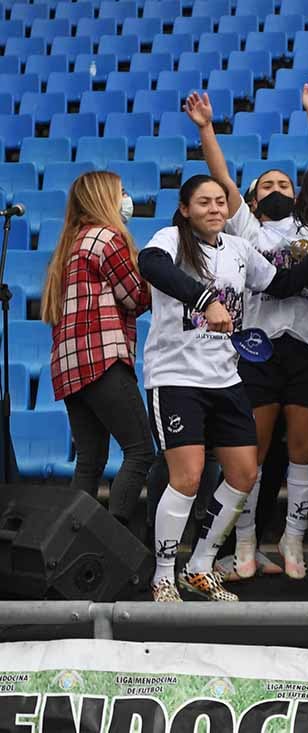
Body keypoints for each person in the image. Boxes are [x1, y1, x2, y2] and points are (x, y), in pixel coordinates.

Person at [139, 174, 308, 602]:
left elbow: (278, 284)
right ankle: (164, 574)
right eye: (204, 202)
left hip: (226, 379)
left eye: (220, 202)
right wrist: (205, 301)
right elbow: (149, 264)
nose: (214, 209)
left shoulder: (240, 249)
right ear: (186, 209)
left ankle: (200, 566)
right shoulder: (170, 238)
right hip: (177, 378)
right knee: (187, 478)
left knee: (244, 474)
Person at [185, 76, 308, 581]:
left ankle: (293, 544)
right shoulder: (245, 227)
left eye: (283, 184)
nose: (276, 191)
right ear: (250, 197)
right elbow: (220, 177)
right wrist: (207, 130)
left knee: (303, 450)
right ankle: (243, 545)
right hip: (259, 350)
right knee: (254, 453)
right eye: (266, 185)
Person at [42, 171, 153, 534]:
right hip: (102, 358)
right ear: (106, 198)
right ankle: (113, 539)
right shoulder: (106, 238)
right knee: (139, 450)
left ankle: (72, 541)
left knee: (90, 460)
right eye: (121, 192)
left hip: (70, 366)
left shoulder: (71, 243)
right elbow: (135, 297)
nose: (127, 198)